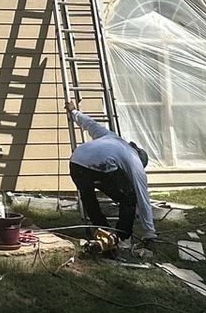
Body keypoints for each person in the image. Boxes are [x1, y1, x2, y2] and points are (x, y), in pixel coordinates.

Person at [66, 101, 158, 251]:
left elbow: (91, 125)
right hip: (100, 166)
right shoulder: (135, 161)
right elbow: (143, 198)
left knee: (88, 197)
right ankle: (122, 238)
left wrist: (74, 112)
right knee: (129, 197)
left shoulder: (112, 137)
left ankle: (104, 233)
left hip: (76, 161)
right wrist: (150, 233)